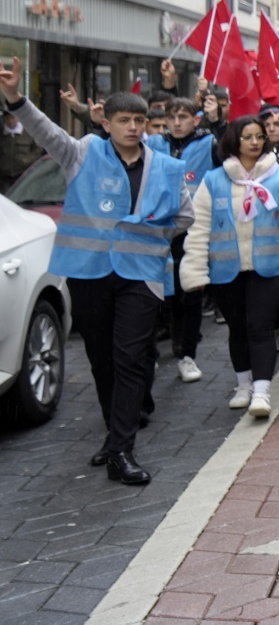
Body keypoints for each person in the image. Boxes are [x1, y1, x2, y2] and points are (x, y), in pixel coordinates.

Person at [1, 60, 190, 485]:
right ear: (106, 122)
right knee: (102, 360)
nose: (133, 127)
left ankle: (122, 451)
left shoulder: (165, 166)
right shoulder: (83, 151)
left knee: (130, 359)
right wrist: (16, 98)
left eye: (140, 120)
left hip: (141, 275)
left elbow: (185, 217)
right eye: (124, 120)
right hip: (89, 274)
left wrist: (151, 238)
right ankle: (113, 435)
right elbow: (46, 131)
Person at [180, 116, 279, 418]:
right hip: (226, 269)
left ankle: (262, 392)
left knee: (260, 328)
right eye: (248, 137)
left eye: (259, 136)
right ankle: (243, 385)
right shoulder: (214, 180)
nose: (255, 142)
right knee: (237, 329)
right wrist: (196, 271)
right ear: (234, 141)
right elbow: (199, 229)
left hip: (269, 268)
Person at [147, 96, 220, 382]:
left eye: (184, 117)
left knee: (189, 293)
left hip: (193, 230)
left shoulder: (209, 143)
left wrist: (219, 121)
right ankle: (148, 352)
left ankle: (187, 355)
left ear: (196, 119)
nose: (177, 123)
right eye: (172, 117)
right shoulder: (153, 144)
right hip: (157, 229)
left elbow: (229, 156)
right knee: (154, 294)